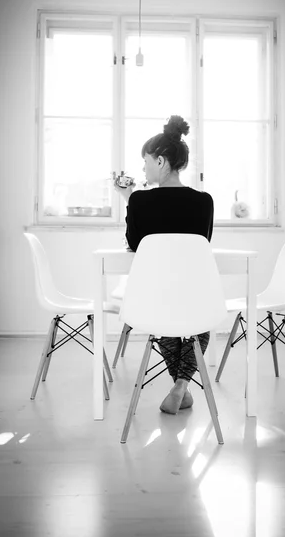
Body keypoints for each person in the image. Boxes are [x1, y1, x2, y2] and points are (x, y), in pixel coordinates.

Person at [114, 115, 214, 415]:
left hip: (152, 300)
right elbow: (201, 244)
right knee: (199, 321)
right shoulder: (204, 201)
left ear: (160, 161)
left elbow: (134, 244)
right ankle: (181, 386)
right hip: (194, 297)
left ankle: (179, 388)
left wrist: (130, 199)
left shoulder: (141, 201)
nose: (143, 169)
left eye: (145, 162)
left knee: (165, 319)